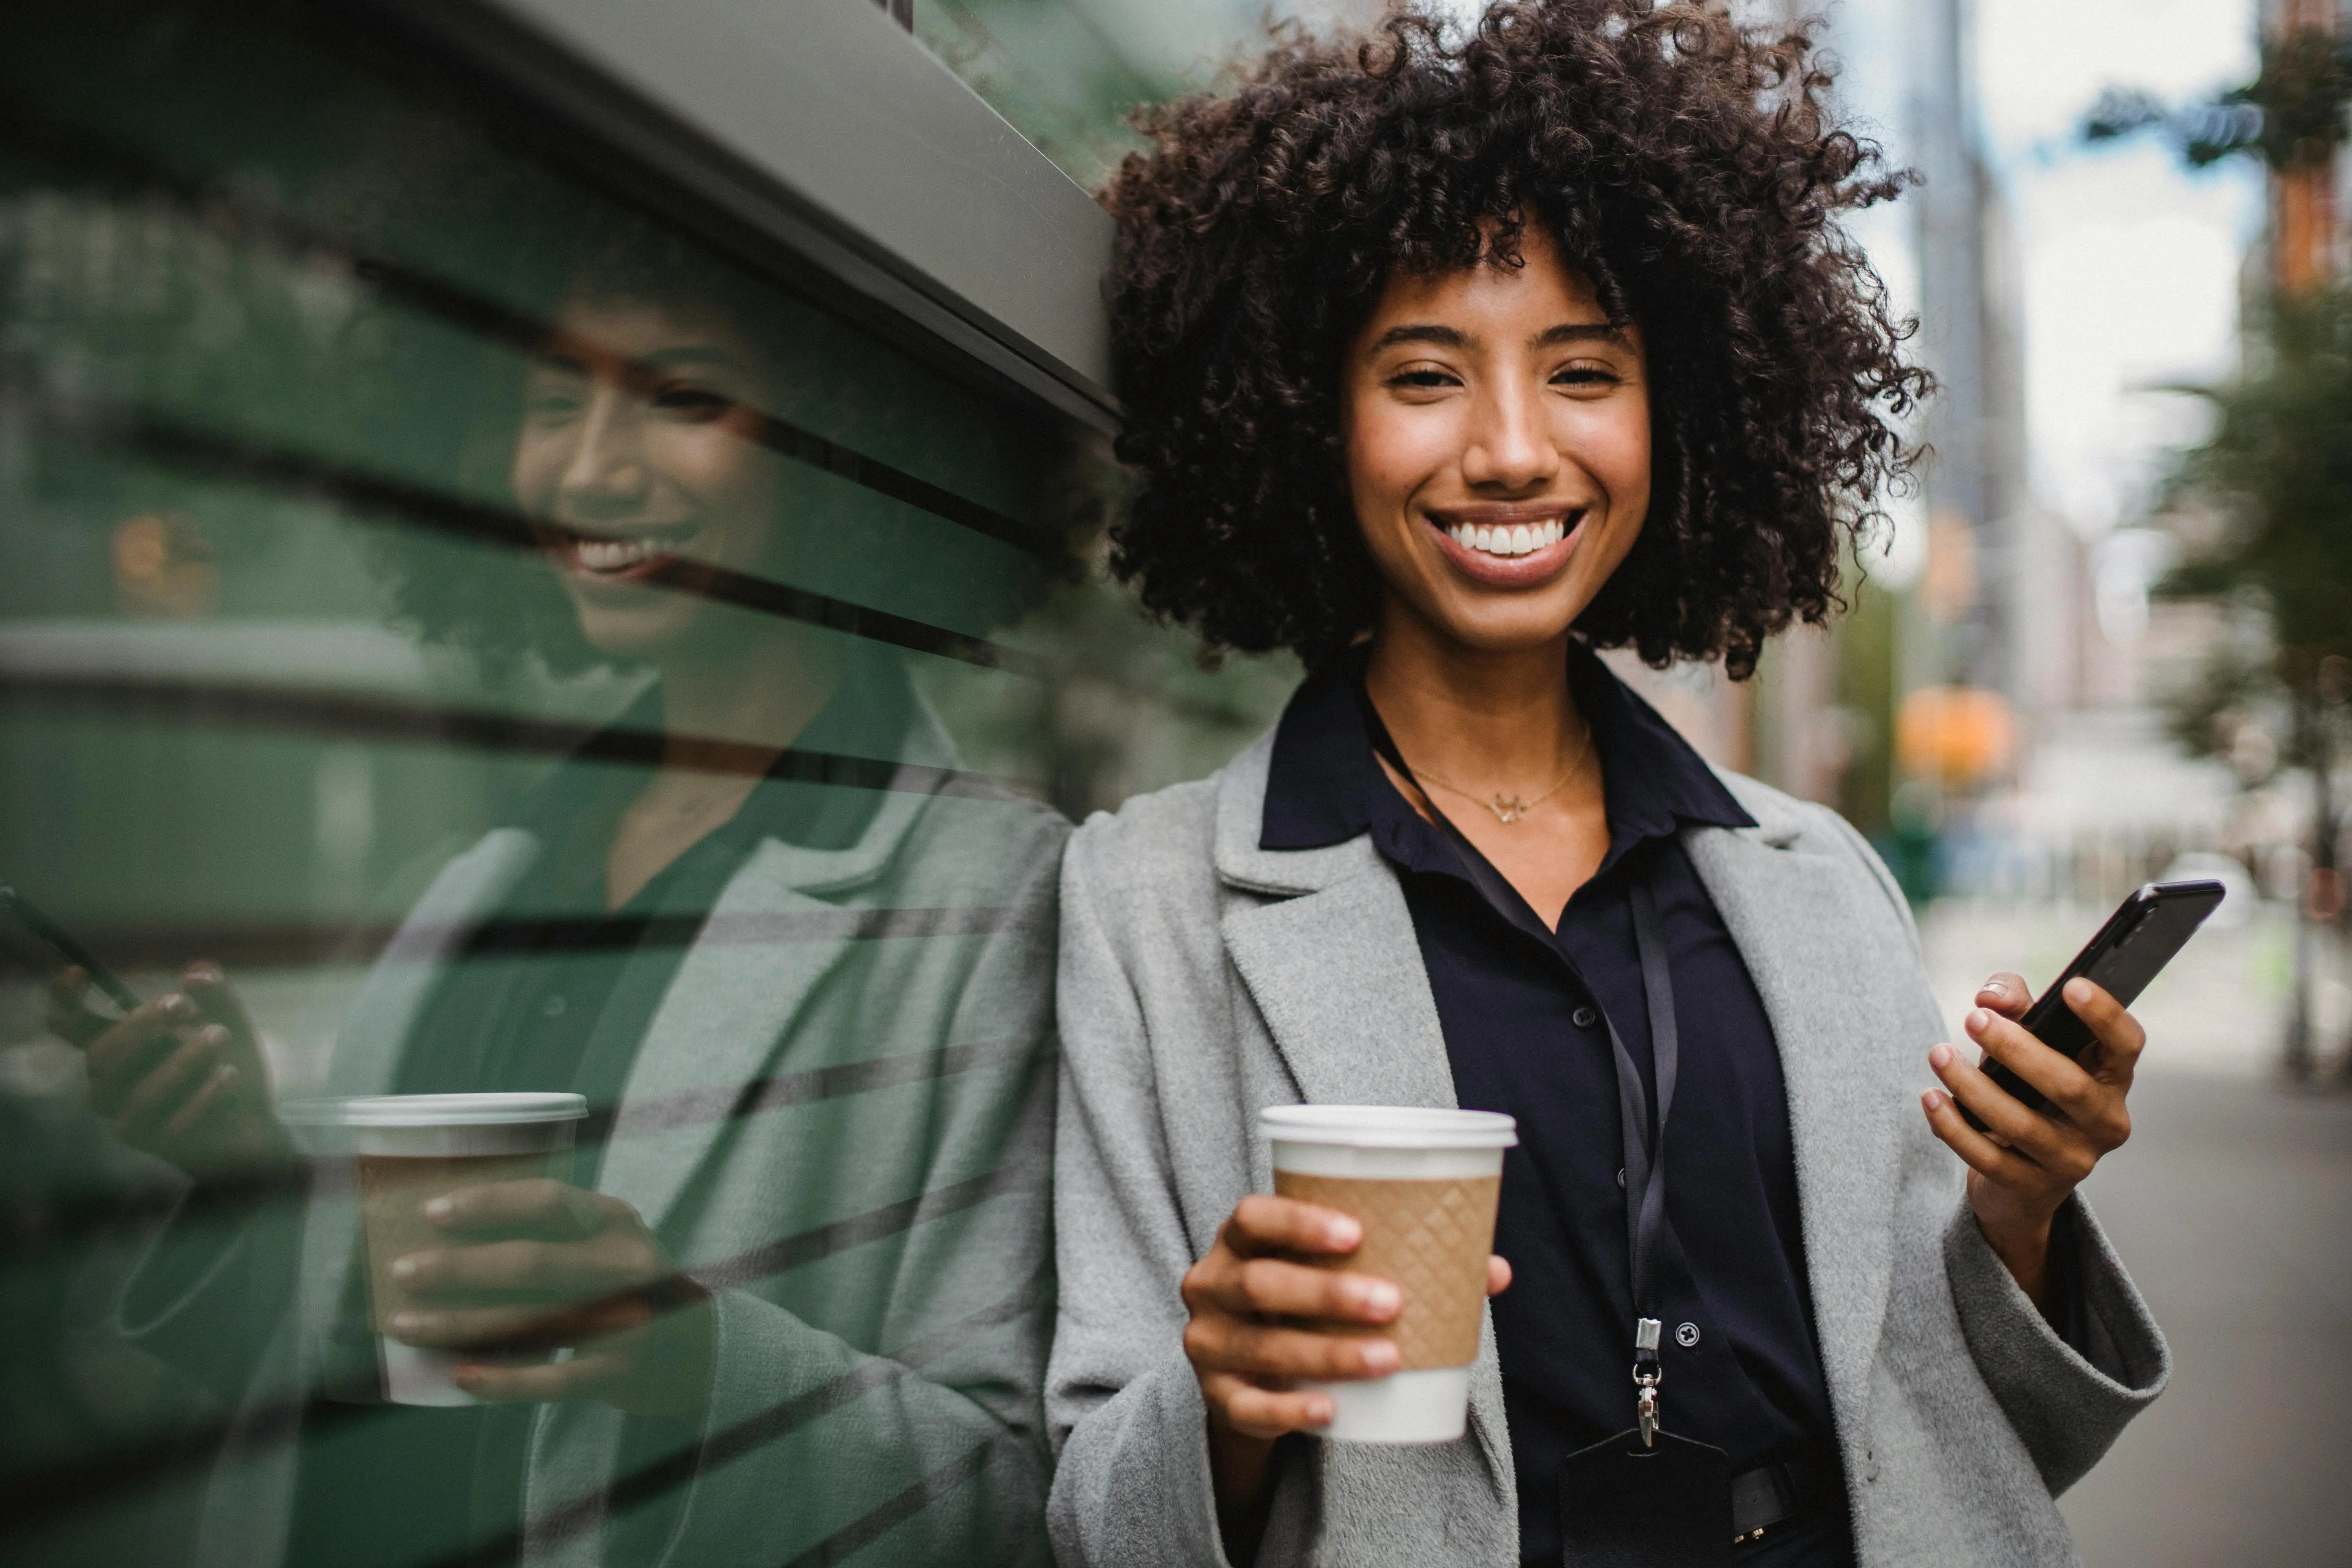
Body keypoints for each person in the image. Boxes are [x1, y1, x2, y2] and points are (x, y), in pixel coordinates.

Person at [1044, 5, 2167, 1567]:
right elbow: (1103, 1518)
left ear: (1682, 414)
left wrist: (2025, 1211)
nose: (1513, 450)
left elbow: (1986, 1437)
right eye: (1425, 373)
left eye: (1584, 370)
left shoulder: (1815, 873)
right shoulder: (1148, 903)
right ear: (1310, 416)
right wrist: (1228, 1394)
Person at [49, 231, 1065, 1568]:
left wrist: (692, 1358)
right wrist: (245, 1166)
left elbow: (1016, 1504)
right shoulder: (485, 880)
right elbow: (335, 1378)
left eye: (683, 395)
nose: (589, 469)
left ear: (843, 449)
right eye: (547, 402)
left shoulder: (992, 899)